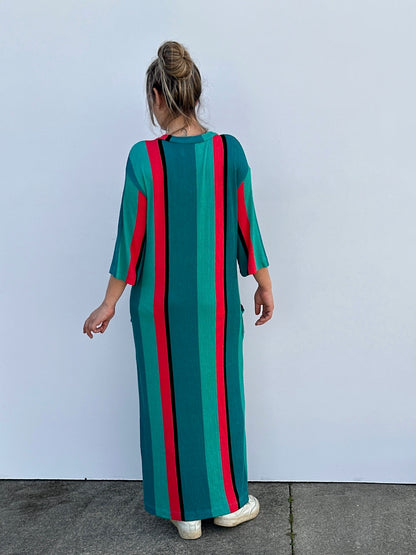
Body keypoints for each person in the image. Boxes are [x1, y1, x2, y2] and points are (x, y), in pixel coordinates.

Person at [83, 40, 274, 540]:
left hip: (157, 309)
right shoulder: (229, 152)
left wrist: (108, 302)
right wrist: (263, 284)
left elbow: (129, 239)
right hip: (215, 306)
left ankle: (183, 512)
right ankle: (227, 503)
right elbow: (247, 225)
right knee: (219, 398)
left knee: (167, 400)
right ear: (195, 92)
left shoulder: (143, 159)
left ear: (156, 95)